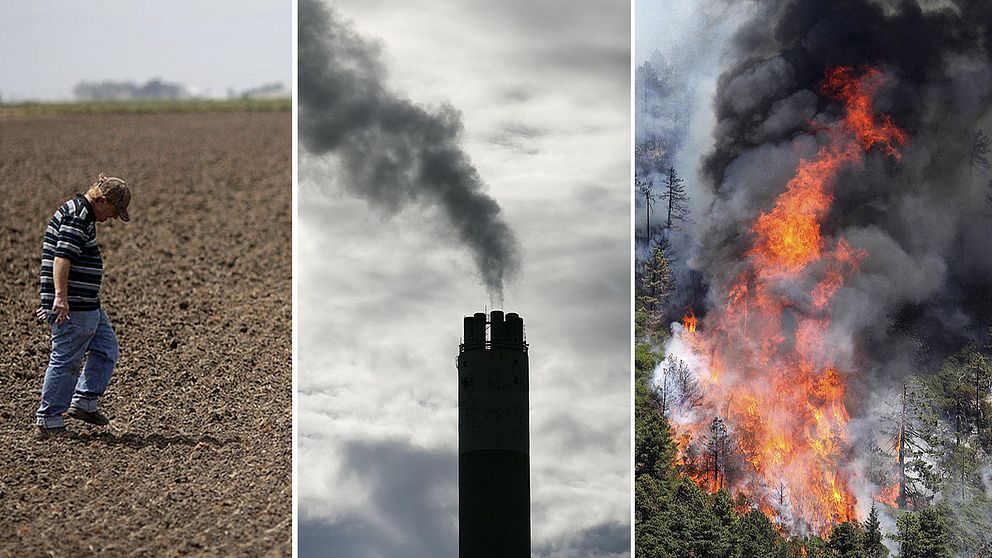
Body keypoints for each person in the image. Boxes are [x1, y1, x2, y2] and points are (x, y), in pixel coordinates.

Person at [34, 173, 132, 439]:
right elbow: (62, 258)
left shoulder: (84, 215)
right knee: (66, 359)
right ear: (101, 199)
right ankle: (49, 419)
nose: (112, 217)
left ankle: (85, 401)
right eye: (114, 210)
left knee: (106, 347)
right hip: (73, 305)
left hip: (88, 304)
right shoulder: (78, 216)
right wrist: (60, 297)